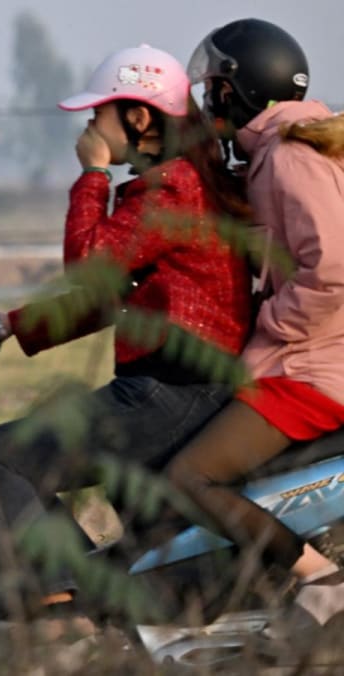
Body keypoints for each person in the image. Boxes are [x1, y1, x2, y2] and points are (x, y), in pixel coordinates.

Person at [0, 44, 253, 619]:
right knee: (144, 553)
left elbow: (90, 265)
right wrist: (10, 326)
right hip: (179, 388)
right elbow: (112, 293)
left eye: (98, 116)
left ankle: (64, 601)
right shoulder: (181, 182)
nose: (90, 128)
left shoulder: (173, 188)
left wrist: (92, 173)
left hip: (172, 391)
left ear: (138, 117)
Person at [164, 18, 344, 636]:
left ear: (240, 91)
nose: (208, 101)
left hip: (313, 371)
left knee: (191, 477)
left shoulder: (291, 157)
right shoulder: (284, 150)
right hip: (314, 361)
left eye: (213, 89)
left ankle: (320, 578)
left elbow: (335, 267)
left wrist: (271, 323)